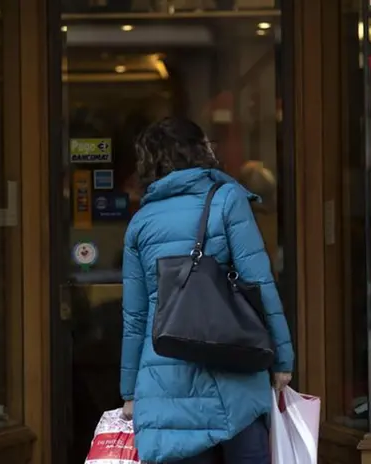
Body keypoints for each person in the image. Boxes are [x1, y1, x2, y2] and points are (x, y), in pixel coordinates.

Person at [119, 117, 295, 464]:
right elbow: (259, 284)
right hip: (234, 373)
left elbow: (135, 317)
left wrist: (129, 392)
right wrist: (282, 360)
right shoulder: (226, 198)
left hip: (164, 383)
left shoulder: (141, 221)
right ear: (198, 149)